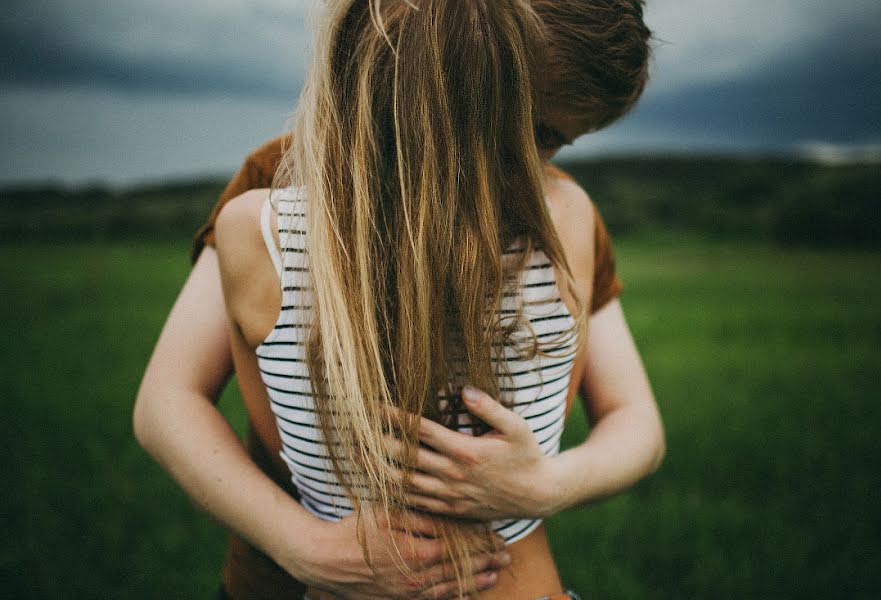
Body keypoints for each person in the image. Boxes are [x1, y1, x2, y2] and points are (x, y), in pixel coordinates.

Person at [133, 1, 663, 599]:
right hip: (281, 576)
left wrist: (547, 485)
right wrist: (302, 545)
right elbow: (166, 401)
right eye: (540, 133)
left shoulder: (559, 213)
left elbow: (635, 418)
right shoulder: (277, 188)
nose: (540, 164)